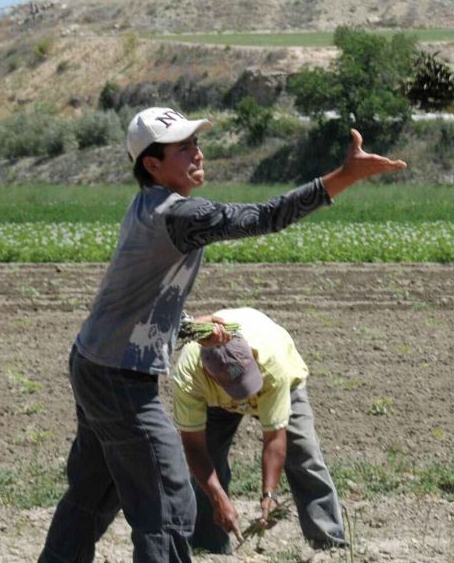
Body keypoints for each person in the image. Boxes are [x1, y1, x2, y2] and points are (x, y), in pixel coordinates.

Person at [39, 107, 406, 563]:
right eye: (184, 148)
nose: (198, 153)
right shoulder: (179, 214)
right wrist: (345, 176)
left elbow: (139, 304)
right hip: (119, 378)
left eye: (196, 142)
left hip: (94, 362)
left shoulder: (148, 208)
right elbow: (264, 216)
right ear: (152, 166)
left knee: (93, 491)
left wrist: (193, 330)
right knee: (169, 500)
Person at [171, 306, 344, 552]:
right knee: (206, 464)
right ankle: (209, 546)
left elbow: (274, 437)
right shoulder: (189, 375)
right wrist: (218, 497)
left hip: (273, 383)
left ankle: (329, 544)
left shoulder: (272, 363)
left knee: (305, 454)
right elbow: (193, 446)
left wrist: (269, 495)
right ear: (210, 376)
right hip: (215, 401)